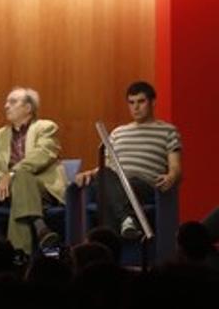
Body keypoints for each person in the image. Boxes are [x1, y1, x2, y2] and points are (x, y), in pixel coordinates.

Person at [74, 81, 182, 240]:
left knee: (107, 197)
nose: (135, 107)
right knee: (105, 178)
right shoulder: (118, 132)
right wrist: (89, 173)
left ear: (153, 102)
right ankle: (128, 220)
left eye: (141, 101)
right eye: (131, 103)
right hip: (115, 180)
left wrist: (172, 176)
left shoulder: (168, 131)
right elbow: (107, 166)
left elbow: (175, 166)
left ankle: (110, 250)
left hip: (143, 183)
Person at [0, 87, 68, 256]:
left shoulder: (46, 127)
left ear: (28, 108)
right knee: (20, 186)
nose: (6, 106)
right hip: (9, 191)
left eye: (13, 102)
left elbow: (43, 154)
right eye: (6, 102)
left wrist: (11, 174)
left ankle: (19, 255)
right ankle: (41, 228)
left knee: (22, 177)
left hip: (43, 187)